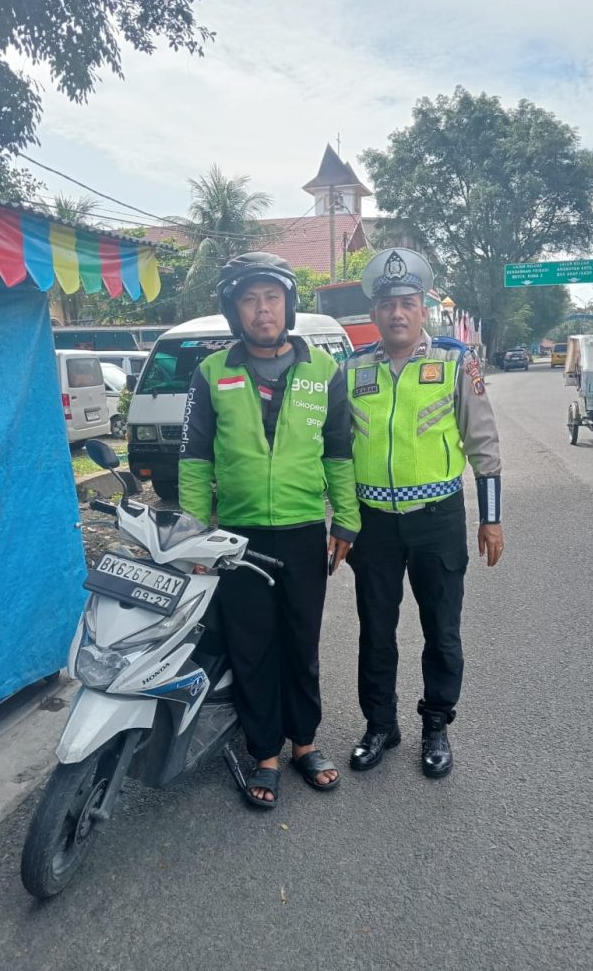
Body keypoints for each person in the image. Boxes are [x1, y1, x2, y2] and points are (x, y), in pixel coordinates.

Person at [179, 252, 360, 808]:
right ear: (236, 310)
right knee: (251, 645)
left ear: (288, 304)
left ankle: (304, 743)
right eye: (250, 300)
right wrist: (192, 535)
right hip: (238, 535)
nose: (263, 310)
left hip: (305, 529)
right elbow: (194, 459)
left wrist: (347, 519)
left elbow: (338, 453)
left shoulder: (324, 372)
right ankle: (265, 753)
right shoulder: (211, 373)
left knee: (300, 640)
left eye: (272, 298)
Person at [344, 248, 504, 779]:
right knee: (376, 629)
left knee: (441, 629)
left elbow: (483, 442)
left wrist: (491, 516)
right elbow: (335, 450)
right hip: (373, 525)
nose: (397, 313)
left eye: (408, 303)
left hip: (437, 519)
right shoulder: (352, 370)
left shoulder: (456, 363)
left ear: (424, 310)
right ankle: (380, 725)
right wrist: (341, 519)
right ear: (374, 314)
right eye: (388, 304)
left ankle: (435, 725)